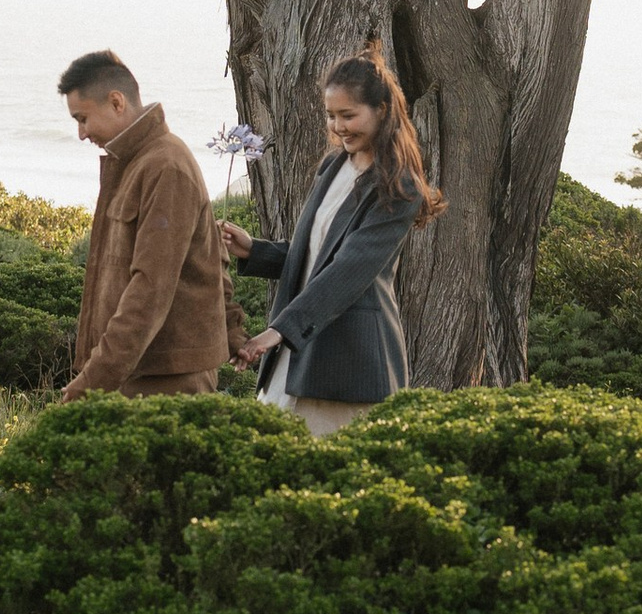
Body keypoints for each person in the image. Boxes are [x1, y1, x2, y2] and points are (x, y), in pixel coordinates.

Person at [220, 47, 442, 436]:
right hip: (298, 349)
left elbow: (347, 272)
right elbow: (315, 256)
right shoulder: (334, 165)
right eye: (331, 115)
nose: (339, 126)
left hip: (347, 363)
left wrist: (278, 331)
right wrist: (255, 250)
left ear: (383, 111)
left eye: (349, 115)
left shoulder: (399, 187)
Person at [57, 49, 237, 400]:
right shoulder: (135, 162)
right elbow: (214, 259)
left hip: (167, 379)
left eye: (82, 119)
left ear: (116, 101)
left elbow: (149, 288)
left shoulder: (165, 166)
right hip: (139, 371)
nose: (81, 133)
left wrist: (93, 381)